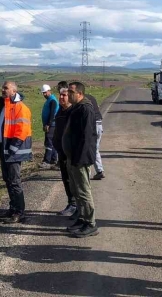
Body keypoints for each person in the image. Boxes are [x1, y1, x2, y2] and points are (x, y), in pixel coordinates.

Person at [0, 81, 32, 223]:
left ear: (14, 91)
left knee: (14, 181)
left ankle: (19, 212)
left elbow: (23, 130)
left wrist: (13, 148)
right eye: (2, 87)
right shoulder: (4, 106)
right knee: (8, 180)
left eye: (6, 88)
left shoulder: (20, 107)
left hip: (13, 151)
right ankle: (13, 209)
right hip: (5, 149)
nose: (3, 90)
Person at [63, 81, 99, 238]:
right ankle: (82, 219)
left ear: (79, 93)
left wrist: (79, 158)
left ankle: (90, 223)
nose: (68, 94)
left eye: (71, 92)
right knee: (76, 190)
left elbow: (87, 137)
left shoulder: (86, 109)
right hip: (73, 157)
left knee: (83, 190)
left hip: (80, 158)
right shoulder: (76, 108)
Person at [52, 82, 75, 216]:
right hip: (61, 152)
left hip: (71, 154)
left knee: (73, 181)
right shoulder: (60, 111)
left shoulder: (74, 112)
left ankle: (75, 206)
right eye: (60, 95)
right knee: (65, 179)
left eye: (64, 95)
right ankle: (71, 203)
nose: (61, 97)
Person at [40, 84, 60, 168]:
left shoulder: (52, 100)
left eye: (45, 92)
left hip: (52, 125)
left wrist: (48, 124)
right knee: (52, 142)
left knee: (49, 142)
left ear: (49, 91)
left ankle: (47, 161)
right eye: (43, 93)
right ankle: (53, 159)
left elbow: (52, 114)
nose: (44, 94)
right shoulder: (50, 100)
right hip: (52, 124)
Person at [86, 92, 105, 180]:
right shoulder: (91, 97)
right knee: (95, 149)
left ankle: (87, 173)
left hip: (92, 125)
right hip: (99, 124)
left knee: (87, 149)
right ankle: (99, 171)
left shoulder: (82, 100)